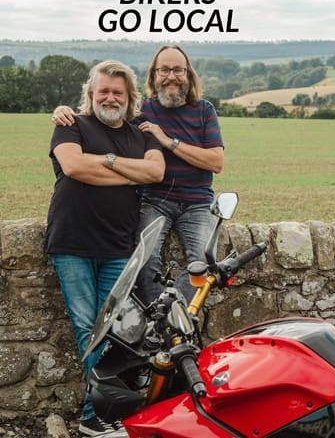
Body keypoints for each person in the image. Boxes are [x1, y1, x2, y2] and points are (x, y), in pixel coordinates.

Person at [46, 59, 165, 438]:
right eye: (103, 91)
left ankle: (95, 415)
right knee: (88, 329)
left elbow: (155, 173)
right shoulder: (71, 125)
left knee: (113, 332)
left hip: (118, 246)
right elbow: (74, 167)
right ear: (91, 95)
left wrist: (106, 161)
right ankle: (95, 416)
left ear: (129, 97)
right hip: (72, 243)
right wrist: (125, 173)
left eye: (118, 92)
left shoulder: (142, 135)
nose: (110, 97)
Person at [52, 45, 224, 305]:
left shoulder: (204, 110)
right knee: (142, 261)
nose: (171, 76)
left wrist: (167, 141)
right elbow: (106, 115)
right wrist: (63, 110)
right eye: (163, 70)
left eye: (178, 70)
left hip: (197, 203)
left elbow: (216, 162)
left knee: (204, 261)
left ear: (188, 74)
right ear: (154, 76)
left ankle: (168, 313)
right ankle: (161, 320)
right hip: (153, 200)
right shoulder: (141, 110)